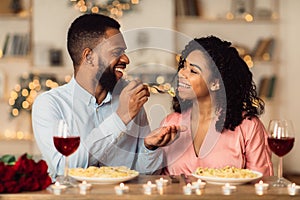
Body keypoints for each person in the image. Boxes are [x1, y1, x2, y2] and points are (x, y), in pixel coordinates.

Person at [32, 13, 183, 179]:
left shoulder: (130, 98)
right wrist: (120, 118)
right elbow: (63, 169)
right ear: (89, 57)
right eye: (116, 52)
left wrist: (149, 147)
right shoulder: (50, 104)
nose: (126, 59)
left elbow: (144, 174)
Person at [160, 35, 273, 176]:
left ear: (215, 83)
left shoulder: (248, 127)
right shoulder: (171, 123)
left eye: (193, 71)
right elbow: (160, 180)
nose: (181, 73)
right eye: (183, 66)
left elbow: (262, 181)